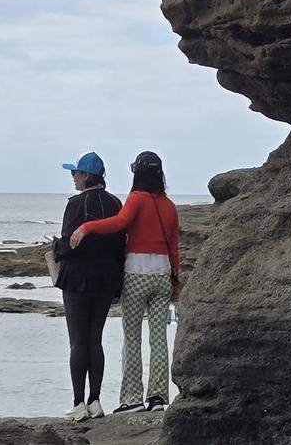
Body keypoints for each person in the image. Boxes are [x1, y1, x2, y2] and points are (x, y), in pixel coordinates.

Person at [70, 151, 179, 414]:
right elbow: (175, 248)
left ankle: (132, 399)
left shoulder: (137, 198)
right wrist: (176, 279)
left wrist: (87, 227)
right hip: (162, 275)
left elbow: (119, 223)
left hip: (137, 274)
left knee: (132, 338)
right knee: (159, 338)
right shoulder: (169, 206)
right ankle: (158, 398)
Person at [51, 152, 126, 422]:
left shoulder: (75, 204)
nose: (73, 177)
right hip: (105, 279)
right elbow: (120, 245)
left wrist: (54, 248)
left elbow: (69, 244)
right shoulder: (115, 203)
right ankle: (96, 401)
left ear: (86, 175)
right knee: (95, 340)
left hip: (76, 278)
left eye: (76, 173)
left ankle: (78, 403)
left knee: (78, 342)